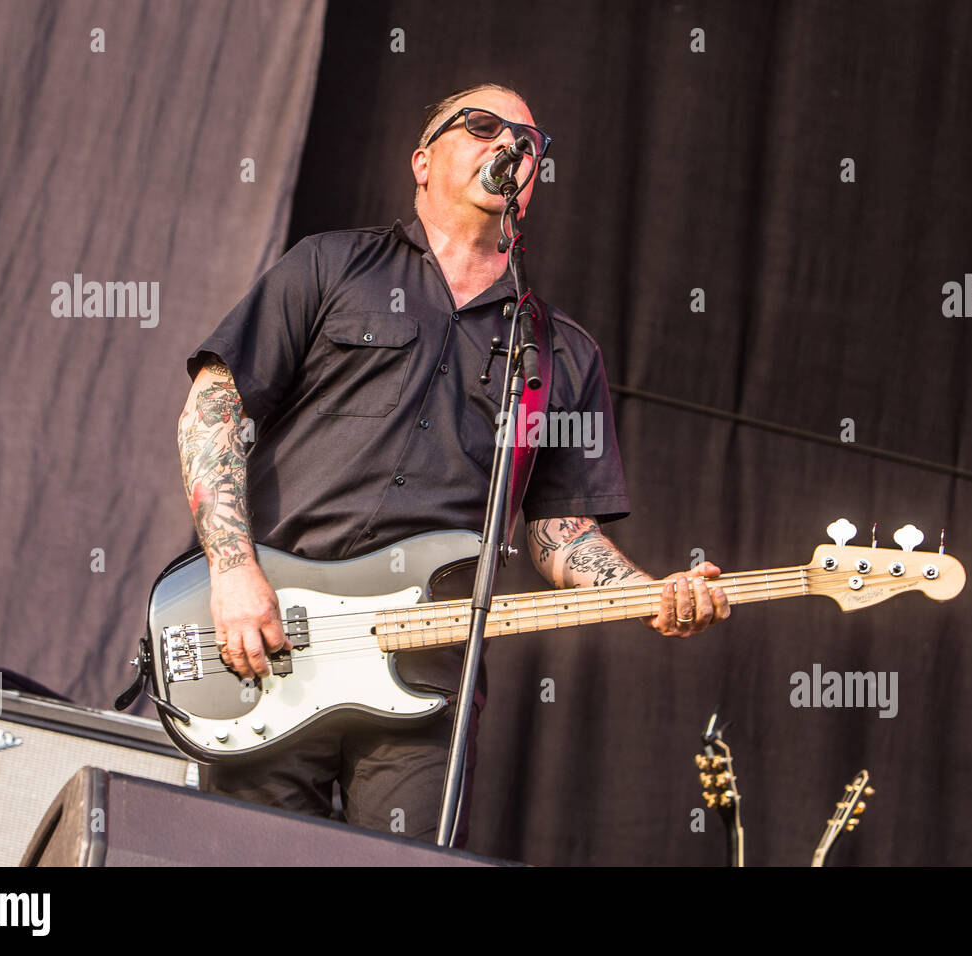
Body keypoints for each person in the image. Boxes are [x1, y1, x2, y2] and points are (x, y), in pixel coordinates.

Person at [175, 83, 731, 847]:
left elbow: (561, 528)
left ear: (529, 190)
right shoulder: (330, 266)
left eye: (528, 144)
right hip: (275, 632)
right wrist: (233, 573)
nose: (510, 146)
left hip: (430, 668)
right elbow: (216, 409)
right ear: (424, 160)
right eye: (482, 127)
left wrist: (648, 594)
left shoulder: (561, 352)